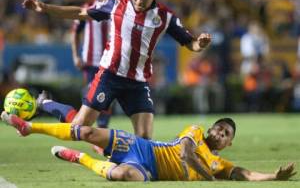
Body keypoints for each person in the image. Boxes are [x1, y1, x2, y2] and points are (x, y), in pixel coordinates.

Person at [22, 0, 212, 139]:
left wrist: (199, 44)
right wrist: (46, 8)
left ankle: (121, 161)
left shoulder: (165, 17)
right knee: (78, 129)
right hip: (109, 76)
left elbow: (191, 44)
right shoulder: (115, 4)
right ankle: (45, 103)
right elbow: (80, 12)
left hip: (137, 82)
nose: (138, 1)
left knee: (144, 138)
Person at [1, 112, 296, 182]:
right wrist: (208, 180)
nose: (219, 133)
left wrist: (273, 176)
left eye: (225, 133)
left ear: (230, 142)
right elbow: (184, 154)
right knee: (89, 130)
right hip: (144, 148)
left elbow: (244, 174)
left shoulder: (221, 165)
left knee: (123, 177)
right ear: (209, 129)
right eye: (218, 128)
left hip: (148, 170)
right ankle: (31, 126)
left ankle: (78, 159)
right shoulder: (194, 132)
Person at [39, 0, 116, 129]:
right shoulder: (87, 8)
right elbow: (75, 32)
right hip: (92, 62)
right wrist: (75, 55)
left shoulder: (120, 8)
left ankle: (101, 128)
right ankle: (95, 129)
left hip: (113, 63)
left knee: (108, 98)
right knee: (93, 97)